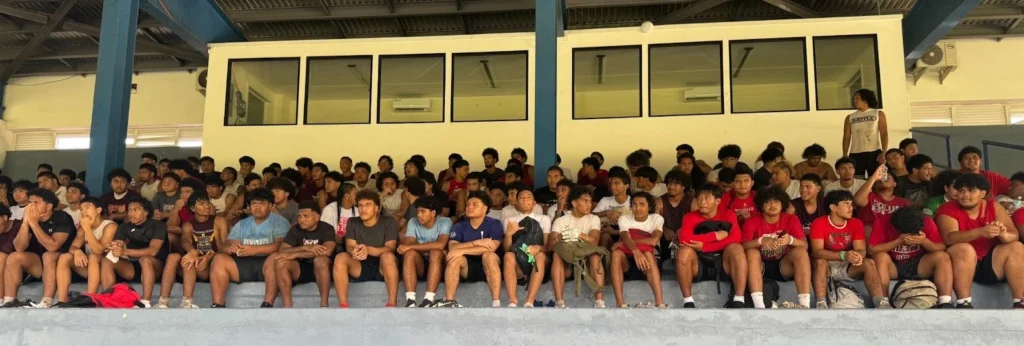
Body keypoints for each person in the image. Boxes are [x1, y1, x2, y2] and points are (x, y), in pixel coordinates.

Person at [936, 173, 1024, 309]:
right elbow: (948, 238)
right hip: (961, 265)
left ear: (983, 193)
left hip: (991, 264)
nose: (965, 195)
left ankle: (1020, 302)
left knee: (1016, 246)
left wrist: (1003, 234)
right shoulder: (947, 208)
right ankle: (963, 302)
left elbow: (1014, 235)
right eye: (961, 191)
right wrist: (980, 232)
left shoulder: (993, 206)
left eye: (971, 191)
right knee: (964, 248)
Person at [209, 188, 289, 308]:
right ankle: (218, 304)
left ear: (271, 205)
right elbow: (228, 244)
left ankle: (267, 303)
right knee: (219, 259)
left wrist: (255, 249)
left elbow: (280, 246)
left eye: (262, 204)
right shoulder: (242, 224)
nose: (257, 207)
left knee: (276, 257)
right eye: (253, 204)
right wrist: (231, 248)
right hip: (244, 263)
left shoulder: (280, 222)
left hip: (268, 264)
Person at [810, 190, 888, 309]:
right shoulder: (819, 223)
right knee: (820, 262)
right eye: (846, 204)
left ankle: (881, 303)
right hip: (827, 267)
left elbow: (861, 250)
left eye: (851, 204)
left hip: (848, 266)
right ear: (833, 207)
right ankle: (821, 303)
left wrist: (858, 256)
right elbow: (817, 252)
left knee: (869, 263)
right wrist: (843, 255)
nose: (851, 207)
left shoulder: (856, 223)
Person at [675, 184, 746, 308]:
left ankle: (739, 299)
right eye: (699, 198)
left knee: (736, 248)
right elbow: (685, 239)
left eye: (707, 198)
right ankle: (688, 301)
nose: (702, 202)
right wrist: (715, 236)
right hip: (698, 264)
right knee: (683, 251)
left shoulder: (728, 214)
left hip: (724, 262)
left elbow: (735, 238)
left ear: (718, 201)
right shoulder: (690, 217)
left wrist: (704, 246)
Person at [2, 188, 75, 308]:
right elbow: (19, 247)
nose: (31, 206)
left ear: (49, 206)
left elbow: (53, 246)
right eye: (30, 203)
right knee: (14, 257)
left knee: (48, 255)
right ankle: (9, 301)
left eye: (36, 203)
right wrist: (26, 222)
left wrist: (34, 224)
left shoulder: (62, 217)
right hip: (42, 267)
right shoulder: (31, 219)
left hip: (66, 265)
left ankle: (46, 301)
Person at [868, 206, 953, 308]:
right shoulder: (882, 222)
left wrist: (924, 241)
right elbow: (871, 250)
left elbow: (941, 247)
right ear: (897, 228)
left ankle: (945, 302)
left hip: (918, 265)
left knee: (942, 257)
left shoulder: (926, 221)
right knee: (880, 256)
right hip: (893, 266)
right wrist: (898, 241)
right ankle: (884, 302)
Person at [742, 186, 811, 308]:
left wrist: (790, 240)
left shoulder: (791, 219)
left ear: (782, 203)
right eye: (767, 201)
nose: (772, 205)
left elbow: (805, 245)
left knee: (800, 251)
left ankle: (805, 305)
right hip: (759, 266)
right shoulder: (752, 221)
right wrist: (760, 241)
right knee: (752, 252)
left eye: (776, 201)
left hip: (783, 266)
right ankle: (759, 306)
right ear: (761, 206)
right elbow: (742, 246)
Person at [434, 191, 503, 308]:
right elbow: (452, 247)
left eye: (475, 204)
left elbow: (492, 247)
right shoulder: (459, 225)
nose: (470, 207)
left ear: (485, 208)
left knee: (488, 255)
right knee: (455, 258)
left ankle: (496, 303)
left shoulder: (494, 224)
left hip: (490, 266)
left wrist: (463, 249)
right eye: (468, 204)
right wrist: (477, 243)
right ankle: (450, 301)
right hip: (467, 267)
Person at [332, 190, 400, 308]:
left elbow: (390, 248)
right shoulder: (353, 222)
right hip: (360, 266)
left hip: (382, 267)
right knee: (340, 257)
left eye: (368, 205)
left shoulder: (388, 221)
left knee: (388, 257)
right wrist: (356, 251)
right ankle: (343, 306)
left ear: (377, 208)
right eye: (360, 205)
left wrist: (368, 250)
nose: (363, 209)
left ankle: (392, 304)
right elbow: (349, 246)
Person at [162, 193, 228, 309]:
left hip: (212, 267)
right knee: (174, 257)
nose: (206, 206)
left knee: (190, 260)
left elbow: (225, 249)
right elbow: (185, 241)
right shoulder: (188, 225)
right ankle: (163, 302)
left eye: (207, 203)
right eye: (201, 204)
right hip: (194, 265)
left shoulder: (219, 221)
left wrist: (208, 258)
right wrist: (193, 252)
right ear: (192, 208)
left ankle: (187, 302)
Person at [99, 197, 167, 307]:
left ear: (146, 212)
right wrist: (113, 247)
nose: (132, 213)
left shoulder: (158, 225)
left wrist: (125, 252)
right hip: (134, 267)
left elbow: (153, 251)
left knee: (145, 259)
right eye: (130, 210)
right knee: (107, 260)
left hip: (156, 267)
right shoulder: (125, 226)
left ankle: (145, 301)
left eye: (136, 209)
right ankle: (109, 298)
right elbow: (118, 243)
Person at [549, 186, 606, 308]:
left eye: (590, 201)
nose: (589, 204)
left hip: (587, 261)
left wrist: (579, 234)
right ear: (574, 203)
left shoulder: (594, 218)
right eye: (585, 201)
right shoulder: (561, 220)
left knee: (595, 255)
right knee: (556, 255)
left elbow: (594, 242)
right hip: (567, 262)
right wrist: (560, 237)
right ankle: (559, 302)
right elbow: (550, 246)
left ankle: (600, 301)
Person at [608, 191, 665, 308]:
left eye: (642, 204)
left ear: (649, 207)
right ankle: (620, 303)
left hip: (649, 265)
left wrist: (624, 243)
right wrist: (636, 251)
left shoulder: (656, 218)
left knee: (648, 254)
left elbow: (653, 241)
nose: (637, 208)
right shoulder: (624, 219)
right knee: (616, 253)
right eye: (634, 204)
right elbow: (625, 236)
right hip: (628, 264)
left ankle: (660, 303)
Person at [273, 201, 336, 308]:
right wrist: (304, 247)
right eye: (299, 216)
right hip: (301, 268)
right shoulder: (295, 229)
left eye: (306, 216)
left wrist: (296, 254)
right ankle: (287, 306)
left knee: (320, 260)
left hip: (323, 270)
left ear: (316, 217)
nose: (301, 219)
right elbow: (283, 250)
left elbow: (327, 251)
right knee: (281, 261)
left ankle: (324, 305)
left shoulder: (327, 228)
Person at [55, 197, 116, 304]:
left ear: (98, 210)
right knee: (65, 257)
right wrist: (77, 251)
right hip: (92, 268)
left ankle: (90, 298)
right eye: (81, 209)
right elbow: (73, 247)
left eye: (87, 208)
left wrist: (87, 228)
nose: (84, 211)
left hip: (109, 269)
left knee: (93, 256)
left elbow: (99, 250)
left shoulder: (109, 225)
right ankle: (62, 301)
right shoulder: (82, 227)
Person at [501, 188, 551, 308]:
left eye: (529, 197)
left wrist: (538, 247)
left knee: (540, 256)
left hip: (538, 261)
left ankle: (529, 301)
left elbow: (548, 247)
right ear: (516, 203)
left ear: (534, 203)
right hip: (518, 263)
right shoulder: (509, 221)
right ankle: (512, 301)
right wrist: (508, 234)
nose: (525, 200)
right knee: (508, 256)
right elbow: (507, 250)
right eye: (522, 198)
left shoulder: (544, 219)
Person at [398, 197, 451, 308]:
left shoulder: (445, 221)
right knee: (409, 253)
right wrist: (413, 247)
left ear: (433, 213)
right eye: (418, 211)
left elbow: (441, 244)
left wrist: (414, 247)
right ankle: (410, 300)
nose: (419, 215)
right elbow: (408, 246)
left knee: (435, 252)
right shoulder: (413, 221)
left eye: (423, 211)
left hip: (439, 265)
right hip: (421, 265)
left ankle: (428, 299)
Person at [842, 89, 888, 178]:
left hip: (874, 152)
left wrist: (884, 152)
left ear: (865, 98)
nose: (855, 100)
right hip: (855, 153)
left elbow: (884, 133)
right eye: (854, 98)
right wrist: (845, 154)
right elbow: (846, 137)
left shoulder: (878, 113)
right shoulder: (850, 117)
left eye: (857, 98)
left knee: (877, 179)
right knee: (857, 180)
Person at [854, 165, 910, 229]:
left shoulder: (904, 203)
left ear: (894, 184)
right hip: (870, 235)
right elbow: (857, 201)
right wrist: (874, 177)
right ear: (875, 185)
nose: (883, 179)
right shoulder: (869, 196)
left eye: (887, 177)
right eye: (880, 177)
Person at [656, 170, 692, 265]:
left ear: (683, 187)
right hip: (664, 238)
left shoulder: (692, 201)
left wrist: (684, 229)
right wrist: (664, 229)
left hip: (685, 239)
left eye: (676, 184)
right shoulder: (659, 201)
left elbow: (697, 222)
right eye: (669, 183)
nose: (671, 187)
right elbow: (653, 222)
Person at [594, 171, 631, 249]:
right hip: (607, 234)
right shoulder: (605, 200)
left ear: (626, 186)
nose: (612, 187)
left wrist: (614, 232)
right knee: (604, 235)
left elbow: (637, 226)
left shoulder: (633, 202)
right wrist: (607, 212)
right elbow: (591, 215)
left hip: (626, 237)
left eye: (617, 183)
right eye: (611, 183)